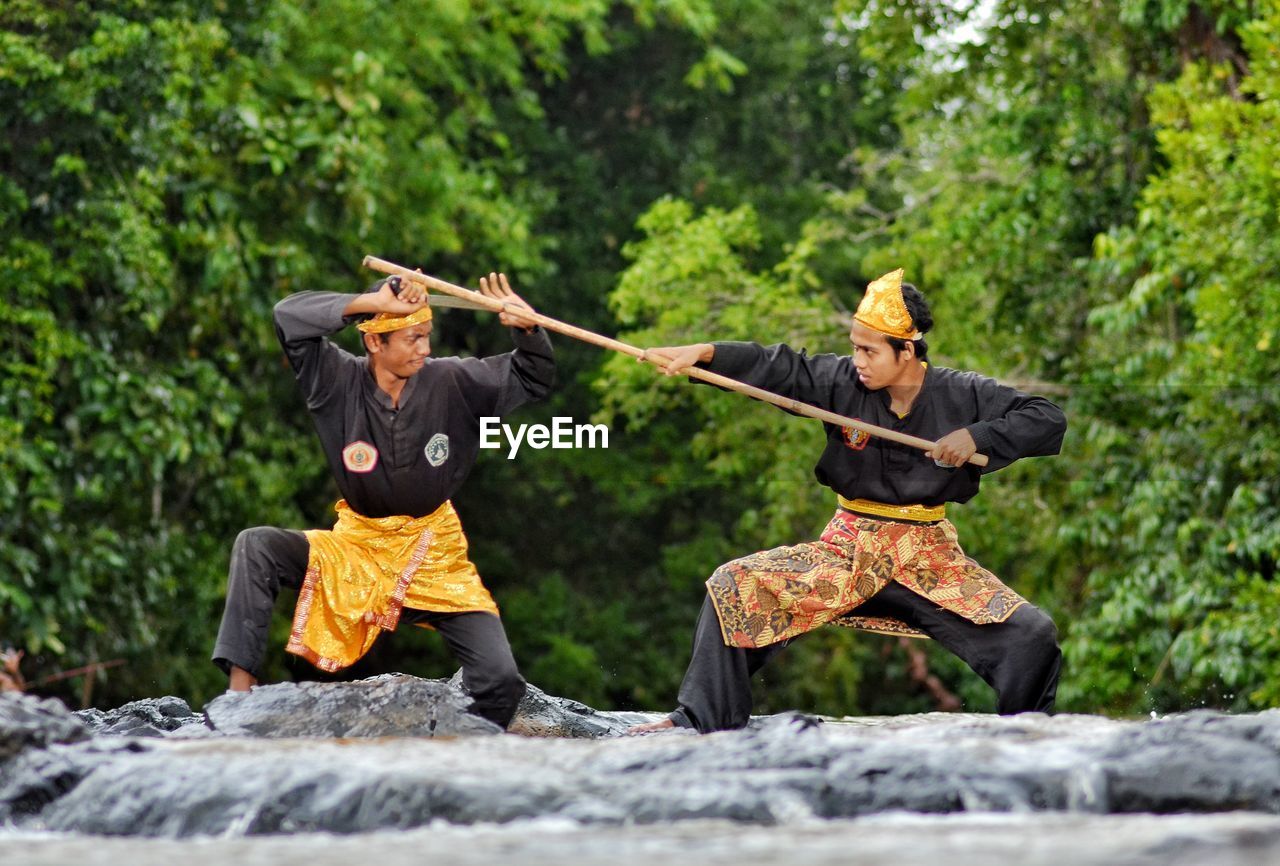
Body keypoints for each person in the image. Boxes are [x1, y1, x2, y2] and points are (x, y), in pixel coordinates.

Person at [630, 269, 1066, 734]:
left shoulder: (966, 393)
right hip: (846, 551)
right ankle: (702, 721)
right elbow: (781, 368)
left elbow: (1046, 418)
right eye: (855, 346)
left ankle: (1026, 737)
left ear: (907, 350)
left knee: (1032, 636)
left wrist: (977, 435)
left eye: (869, 350)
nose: (857, 359)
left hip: (927, 561)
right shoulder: (841, 383)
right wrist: (706, 354)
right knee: (733, 585)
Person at [212, 271, 554, 729]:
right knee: (256, 545)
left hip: (432, 551)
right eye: (412, 339)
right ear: (375, 342)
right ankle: (239, 701)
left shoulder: (452, 380)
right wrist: (370, 300)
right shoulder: (333, 380)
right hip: (358, 544)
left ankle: (464, 756)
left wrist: (526, 328)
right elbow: (288, 316)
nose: (425, 349)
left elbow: (534, 375)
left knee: (501, 679)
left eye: (427, 337)